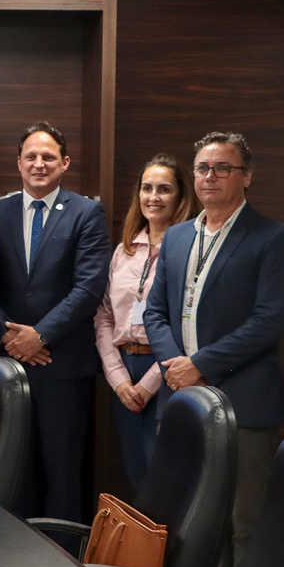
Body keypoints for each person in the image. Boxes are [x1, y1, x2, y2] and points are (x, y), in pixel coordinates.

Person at [143, 131, 284, 567]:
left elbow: (269, 321)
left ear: (246, 177)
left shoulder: (274, 238)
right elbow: (154, 312)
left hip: (244, 401)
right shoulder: (179, 236)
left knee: (243, 519)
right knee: (191, 513)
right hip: (182, 399)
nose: (210, 176)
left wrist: (202, 365)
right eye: (203, 168)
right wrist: (176, 366)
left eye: (222, 168)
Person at [0, 121, 109, 526]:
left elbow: (89, 288)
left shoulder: (87, 212)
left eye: (48, 157)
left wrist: (41, 335)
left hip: (62, 364)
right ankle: (8, 560)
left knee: (62, 471)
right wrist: (8, 334)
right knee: (10, 469)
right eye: (31, 157)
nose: (39, 164)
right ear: (18, 163)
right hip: (6, 361)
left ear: (64, 163)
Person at [94, 153, 196, 491]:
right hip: (125, 371)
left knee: (165, 476)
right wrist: (119, 379)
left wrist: (149, 384)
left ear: (181, 197)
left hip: (166, 371)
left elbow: (186, 324)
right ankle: (146, 546)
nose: (153, 197)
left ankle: (171, 546)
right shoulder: (125, 250)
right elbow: (105, 316)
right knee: (136, 474)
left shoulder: (189, 249)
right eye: (146, 188)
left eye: (164, 189)